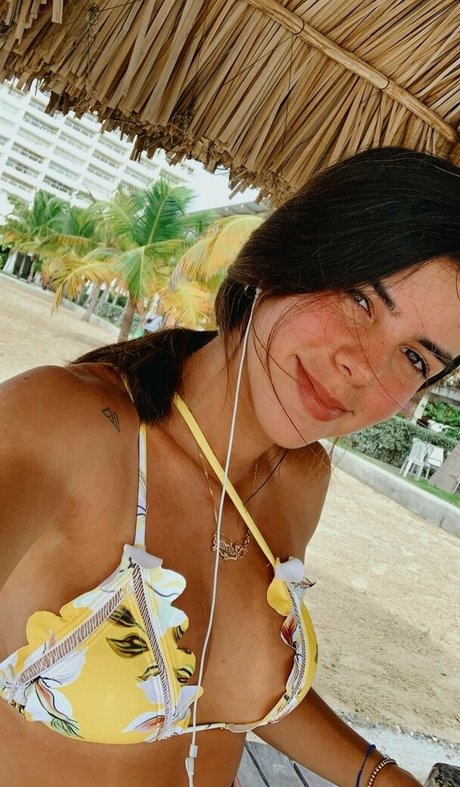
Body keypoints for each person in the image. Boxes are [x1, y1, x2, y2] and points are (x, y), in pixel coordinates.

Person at [0, 147, 459, 787]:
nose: (364, 366)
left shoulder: (299, 480)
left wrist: (383, 777)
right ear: (283, 256)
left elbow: (228, 690)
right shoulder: (68, 425)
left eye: (414, 358)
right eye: (360, 298)